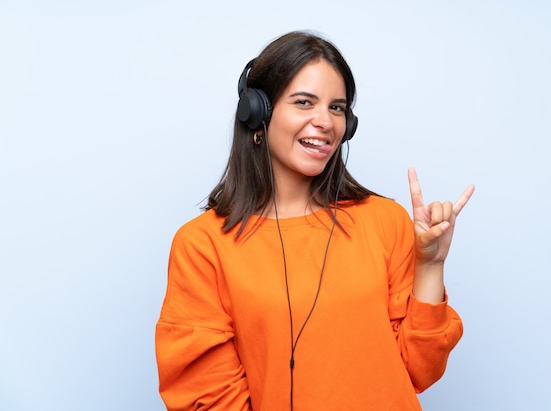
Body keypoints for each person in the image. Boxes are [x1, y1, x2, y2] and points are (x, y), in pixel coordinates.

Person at [155, 30, 474, 411]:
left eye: (337, 108)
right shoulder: (203, 245)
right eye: (305, 102)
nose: (325, 121)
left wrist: (431, 265)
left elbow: (419, 369)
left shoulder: (385, 220)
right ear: (258, 111)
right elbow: (204, 395)